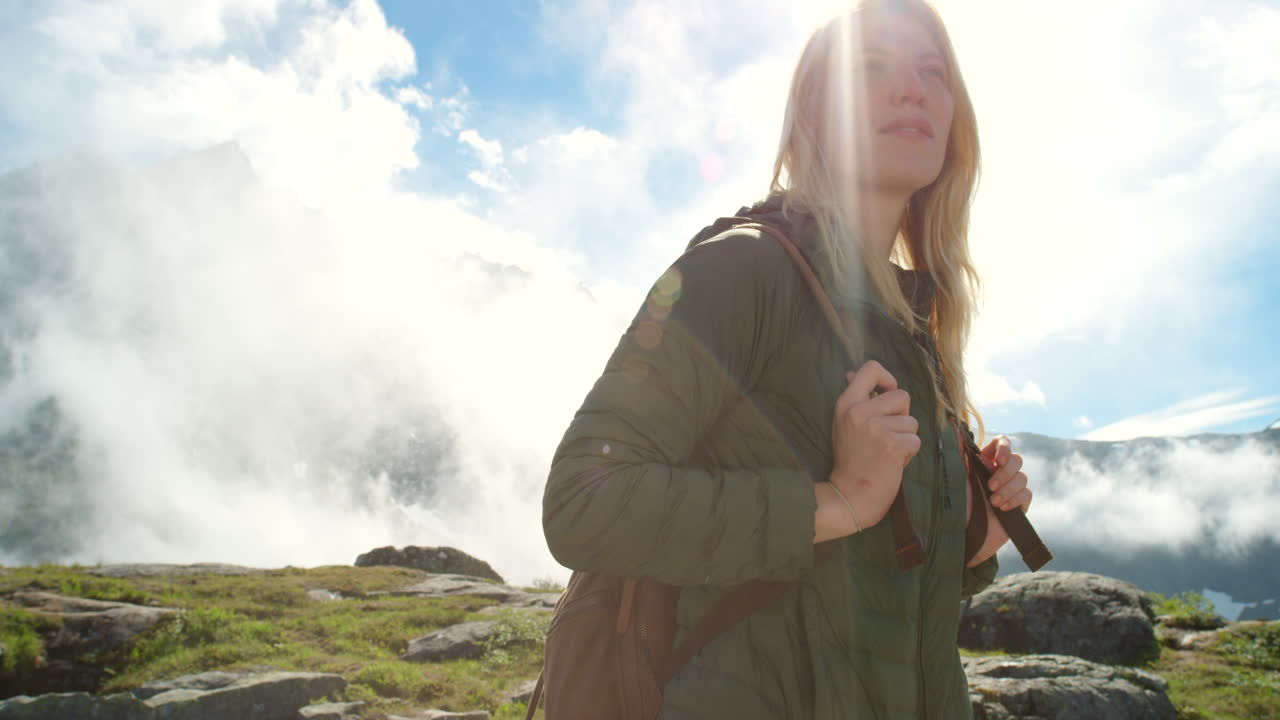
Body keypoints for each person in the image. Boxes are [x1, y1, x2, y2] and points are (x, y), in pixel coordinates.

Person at [542, 1, 1034, 718]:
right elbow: (583, 504)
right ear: (816, 111)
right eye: (873, 70)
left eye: (933, 72)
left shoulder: (912, 318)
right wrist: (836, 499)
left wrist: (966, 537)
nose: (912, 89)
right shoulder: (742, 272)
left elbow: (851, 590)